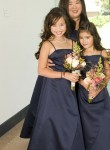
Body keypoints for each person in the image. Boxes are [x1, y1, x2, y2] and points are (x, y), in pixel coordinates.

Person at [20, 0, 89, 138]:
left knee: (70, 114)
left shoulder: (74, 40)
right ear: (49, 26)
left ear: (66, 25)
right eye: (54, 25)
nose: (58, 28)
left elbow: (80, 60)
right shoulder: (48, 43)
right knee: (52, 115)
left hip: (71, 84)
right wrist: (60, 70)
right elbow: (41, 69)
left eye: (61, 25)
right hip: (54, 85)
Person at [77, 21, 110, 150]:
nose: (84, 41)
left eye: (87, 37)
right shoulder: (78, 54)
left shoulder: (102, 53)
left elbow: (108, 74)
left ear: (94, 36)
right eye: (81, 38)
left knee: (105, 124)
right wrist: (86, 86)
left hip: (100, 94)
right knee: (85, 125)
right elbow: (76, 75)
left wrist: (96, 90)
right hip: (83, 94)